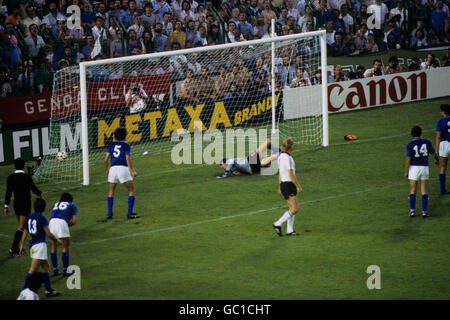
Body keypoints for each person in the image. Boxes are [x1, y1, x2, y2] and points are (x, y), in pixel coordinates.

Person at [19, 198, 62, 297]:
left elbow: (25, 231)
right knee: (33, 270)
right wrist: (58, 241)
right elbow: (49, 234)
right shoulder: (42, 218)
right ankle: (24, 291)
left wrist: (22, 244)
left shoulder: (30, 216)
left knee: (46, 267)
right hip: (39, 246)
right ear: (44, 207)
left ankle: (48, 290)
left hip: (33, 245)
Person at [4, 158, 43, 257]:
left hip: (16, 204)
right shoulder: (26, 177)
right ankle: (14, 248)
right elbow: (33, 188)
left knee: (23, 226)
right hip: (25, 204)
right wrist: (40, 195)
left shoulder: (10, 177)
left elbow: (8, 192)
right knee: (22, 227)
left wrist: (6, 206)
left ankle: (20, 246)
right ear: (23, 165)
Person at [104, 127, 139, 219]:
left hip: (113, 169)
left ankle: (109, 213)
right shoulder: (126, 145)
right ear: (125, 136)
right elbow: (127, 158)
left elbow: (105, 160)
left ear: (115, 136)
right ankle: (129, 213)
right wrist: (132, 171)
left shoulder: (111, 144)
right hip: (123, 169)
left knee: (111, 191)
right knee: (131, 190)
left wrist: (107, 170)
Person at [405, 126, 438, 218]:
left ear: (412, 134)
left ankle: (412, 211)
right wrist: (436, 160)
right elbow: (434, 153)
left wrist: (406, 171)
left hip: (413, 168)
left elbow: (408, 159)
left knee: (413, 189)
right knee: (424, 189)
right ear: (421, 133)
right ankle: (424, 211)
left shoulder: (410, 145)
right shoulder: (427, 142)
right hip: (424, 168)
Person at [272, 138, 302, 236]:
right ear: (291, 146)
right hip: (289, 184)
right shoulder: (287, 158)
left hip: (285, 184)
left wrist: (280, 186)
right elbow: (291, 173)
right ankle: (278, 223)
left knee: (291, 208)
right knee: (295, 209)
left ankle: (289, 230)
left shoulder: (282, 156)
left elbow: (281, 172)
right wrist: (298, 186)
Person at [49, 193, 78, 276]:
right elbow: (74, 221)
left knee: (53, 246)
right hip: (62, 223)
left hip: (52, 222)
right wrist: (66, 225)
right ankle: (65, 270)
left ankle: (55, 270)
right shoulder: (72, 205)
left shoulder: (55, 204)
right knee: (65, 246)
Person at [435, 104, 450, 195]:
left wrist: (436, 150)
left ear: (443, 111)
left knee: (443, 166)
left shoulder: (440, 122)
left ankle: (442, 189)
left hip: (444, 144)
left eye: (441, 111)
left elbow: (438, 137)